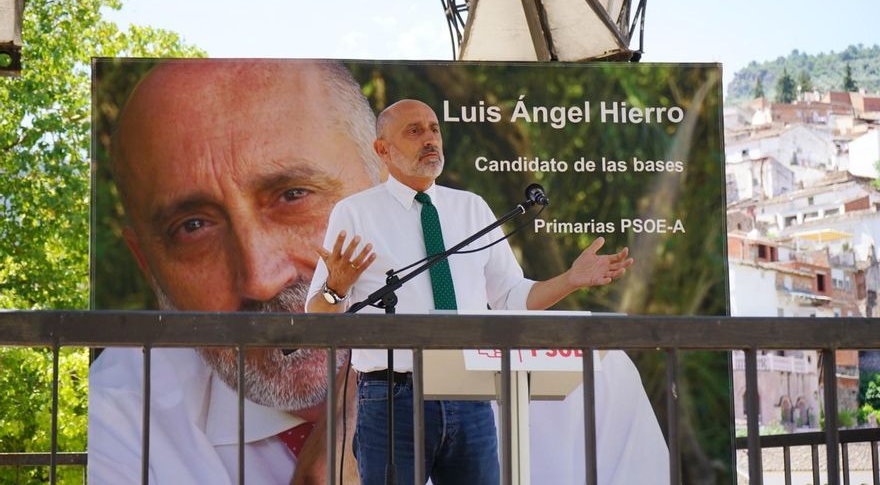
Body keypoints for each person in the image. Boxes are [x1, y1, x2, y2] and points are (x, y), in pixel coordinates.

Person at [305, 99, 644, 484]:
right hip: (393, 397)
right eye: (414, 131)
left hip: (469, 394)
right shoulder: (356, 213)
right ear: (382, 149)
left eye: (434, 128)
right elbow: (316, 314)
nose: (430, 139)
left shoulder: (471, 208)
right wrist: (335, 288)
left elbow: (512, 297)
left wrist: (571, 279)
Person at [89, 59, 383, 484]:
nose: (261, 279)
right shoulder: (115, 415)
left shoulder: (501, 366)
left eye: (293, 195)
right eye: (193, 227)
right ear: (148, 266)